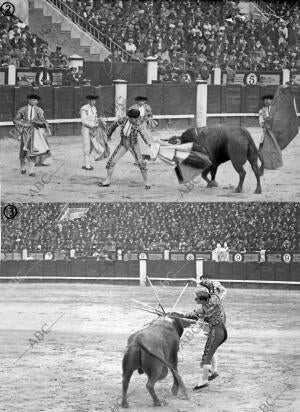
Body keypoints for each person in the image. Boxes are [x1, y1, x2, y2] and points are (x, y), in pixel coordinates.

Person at [174, 283, 227, 390]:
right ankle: (214, 371)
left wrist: (176, 315)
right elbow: (212, 288)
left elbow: (191, 315)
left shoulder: (204, 310)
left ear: (203, 300)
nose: (195, 300)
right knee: (210, 352)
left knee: (207, 356)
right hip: (221, 329)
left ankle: (204, 380)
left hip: (216, 332)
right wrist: (204, 282)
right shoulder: (215, 297)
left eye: (197, 299)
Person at [98, 109, 151, 189]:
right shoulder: (123, 119)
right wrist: (108, 135)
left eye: (135, 118)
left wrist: (148, 143)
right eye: (132, 118)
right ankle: (107, 181)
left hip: (133, 145)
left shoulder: (139, 124)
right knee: (112, 161)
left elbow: (144, 135)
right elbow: (113, 125)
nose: (134, 120)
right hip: (123, 143)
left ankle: (147, 183)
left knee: (141, 163)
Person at [14, 94, 51, 176]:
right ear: (29, 100)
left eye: (36, 100)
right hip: (25, 132)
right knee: (23, 151)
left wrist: (44, 124)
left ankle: (31, 171)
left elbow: (42, 120)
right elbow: (16, 120)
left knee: (34, 151)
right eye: (34, 100)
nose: (35, 102)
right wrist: (24, 125)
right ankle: (23, 167)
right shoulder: (22, 109)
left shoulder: (39, 110)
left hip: (35, 132)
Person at [80, 95, 109, 171]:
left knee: (93, 146)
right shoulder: (84, 109)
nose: (94, 102)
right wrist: (93, 125)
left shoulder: (94, 108)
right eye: (92, 100)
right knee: (87, 146)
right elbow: (83, 121)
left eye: (94, 100)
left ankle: (85, 164)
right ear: (89, 100)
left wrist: (99, 120)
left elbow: (95, 118)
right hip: (86, 129)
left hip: (93, 129)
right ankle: (87, 165)